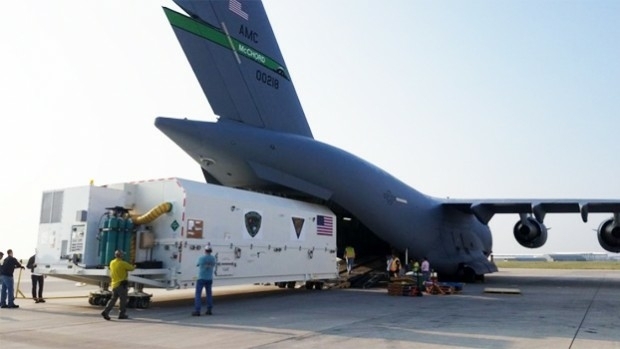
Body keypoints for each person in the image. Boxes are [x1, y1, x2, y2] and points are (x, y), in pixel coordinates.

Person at [101, 250, 135, 320]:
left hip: (114, 284)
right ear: (121, 256)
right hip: (121, 285)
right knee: (123, 300)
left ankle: (106, 311)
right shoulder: (123, 263)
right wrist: (134, 265)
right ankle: (122, 314)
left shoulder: (112, 262)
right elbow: (131, 268)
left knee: (113, 299)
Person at [192, 244, 216, 316]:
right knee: (209, 294)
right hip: (209, 278)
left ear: (205, 250)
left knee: (198, 294)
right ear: (211, 251)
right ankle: (209, 309)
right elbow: (214, 264)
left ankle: (197, 310)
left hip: (201, 278)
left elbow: (197, 264)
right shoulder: (213, 258)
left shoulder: (201, 258)